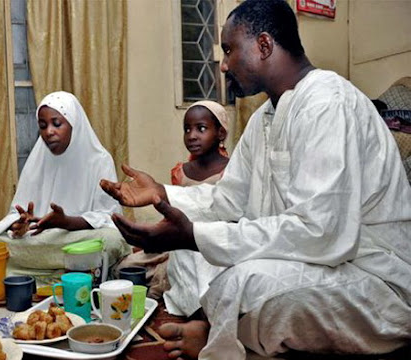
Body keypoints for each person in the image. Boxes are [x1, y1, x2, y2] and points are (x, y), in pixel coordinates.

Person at [100, 0, 411, 359]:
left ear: (263, 46)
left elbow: (321, 234)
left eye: (230, 49)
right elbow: (226, 202)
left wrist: (196, 236)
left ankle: (221, 336)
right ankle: (229, 332)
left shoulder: (328, 102)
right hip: (318, 261)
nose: (224, 64)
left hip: (374, 276)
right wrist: (162, 195)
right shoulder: (266, 116)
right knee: (198, 261)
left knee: (244, 280)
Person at [0, 91, 130, 283]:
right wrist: (19, 225)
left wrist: (65, 222)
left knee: (112, 240)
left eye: (57, 124)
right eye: (43, 125)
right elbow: (18, 215)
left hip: (77, 238)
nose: (49, 131)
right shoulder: (37, 160)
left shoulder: (99, 160)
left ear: (74, 124)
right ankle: (66, 276)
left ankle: (31, 275)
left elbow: (108, 216)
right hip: (41, 240)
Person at [115, 101, 230, 300]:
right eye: (187, 129)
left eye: (201, 129)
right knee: (127, 266)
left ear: (220, 133)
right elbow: (172, 213)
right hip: (176, 241)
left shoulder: (232, 171)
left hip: (210, 243)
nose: (192, 135)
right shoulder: (181, 172)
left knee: (195, 275)